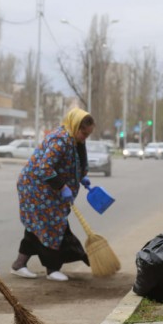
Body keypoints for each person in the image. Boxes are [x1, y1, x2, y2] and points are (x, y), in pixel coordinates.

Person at [11, 108, 94, 282]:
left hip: (49, 190)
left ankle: (19, 265)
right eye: (83, 133)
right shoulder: (61, 140)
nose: (84, 137)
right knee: (52, 226)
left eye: (87, 135)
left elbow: (74, 162)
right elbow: (44, 167)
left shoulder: (75, 140)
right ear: (75, 125)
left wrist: (81, 177)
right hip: (36, 189)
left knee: (38, 226)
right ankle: (52, 269)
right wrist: (62, 187)